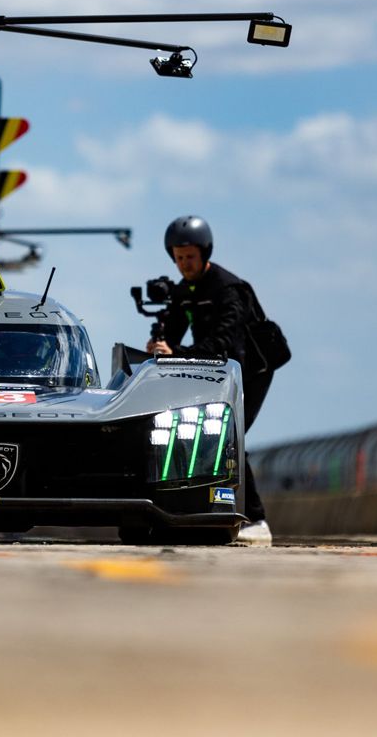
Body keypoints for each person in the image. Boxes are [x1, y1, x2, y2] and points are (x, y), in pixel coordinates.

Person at [146, 216, 275, 546]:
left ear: (205, 253)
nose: (184, 264)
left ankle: (257, 520)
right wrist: (159, 347)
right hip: (215, 368)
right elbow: (172, 336)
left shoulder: (229, 290)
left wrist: (175, 352)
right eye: (178, 258)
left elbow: (224, 343)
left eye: (190, 257)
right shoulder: (183, 291)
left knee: (233, 437)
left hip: (251, 370)